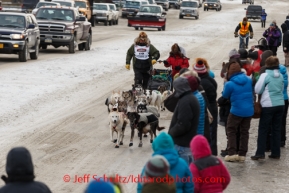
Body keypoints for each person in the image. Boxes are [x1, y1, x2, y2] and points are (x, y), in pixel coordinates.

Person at [251, 56, 284, 160]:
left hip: (268, 105)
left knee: (263, 129)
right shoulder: (281, 75)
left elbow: (258, 89)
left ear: (267, 65)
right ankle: (276, 152)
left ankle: (260, 152)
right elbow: (282, 89)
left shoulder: (265, 75)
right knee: (276, 129)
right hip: (280, 104)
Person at [222, 61, 254, 162]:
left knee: (231, 130)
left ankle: (232, 153)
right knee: (244, 132)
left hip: (236, 111)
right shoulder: (249, 80)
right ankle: (242, 154)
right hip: (249, 110)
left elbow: (225, 96)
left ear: (229, 72)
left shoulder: (229, 84)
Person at [168, 76, 200, 164]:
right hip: (187, 145)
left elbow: (183, 124)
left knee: (181, 176)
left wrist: (171, 133)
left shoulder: (185, 101)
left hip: (182, 146)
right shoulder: (192, 98)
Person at [193, 58, 218, 156]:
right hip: (213, 107)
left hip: (207, 109)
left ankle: (208, 154)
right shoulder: (211, 80)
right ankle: (213, 152)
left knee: (207, 131)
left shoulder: (200, 83)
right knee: (213, 132)